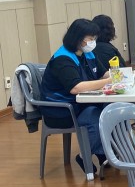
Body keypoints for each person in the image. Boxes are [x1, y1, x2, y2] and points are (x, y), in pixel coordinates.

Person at [40, 18, 112, 173]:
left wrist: (118, 76)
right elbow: (75, 87)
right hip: (62, 109)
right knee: (98, 117)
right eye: (90, 39)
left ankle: (102, 153)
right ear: (78, 38)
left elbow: (103, 73)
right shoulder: (63, 59)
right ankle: (84, 156)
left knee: (111, 110)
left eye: (94, 38)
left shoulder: (87, 54)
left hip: (82, 103)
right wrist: (107, 81)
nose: (93, 42)